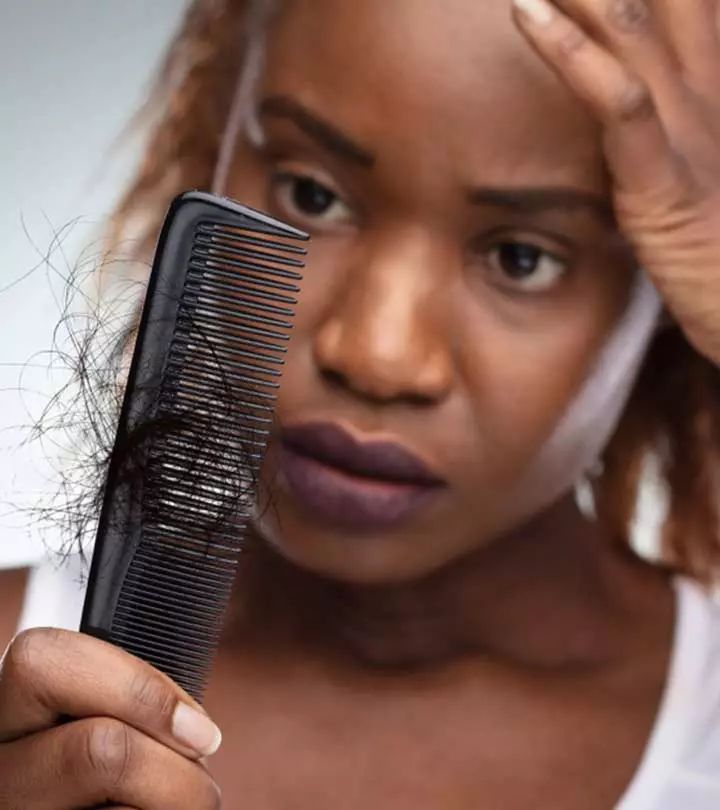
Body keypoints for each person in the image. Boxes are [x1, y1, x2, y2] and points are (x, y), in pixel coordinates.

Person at [2, 0, 720, 806]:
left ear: (670, 286)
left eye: (523, 258)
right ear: (214, 145)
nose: (375, 356)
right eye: (311, 195)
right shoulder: (15, 692)